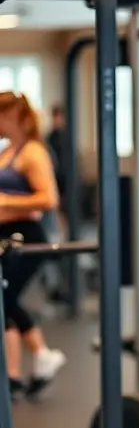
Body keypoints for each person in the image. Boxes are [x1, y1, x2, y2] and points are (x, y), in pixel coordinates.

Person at [0, 92, 66, 399]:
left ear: (18, 118)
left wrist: (7, 201)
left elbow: (48, 199)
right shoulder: (8, 152)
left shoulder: (33, 153)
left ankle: (41, 353)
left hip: (27, 236)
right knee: (4, 300)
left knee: (4, 295)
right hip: (7, 237)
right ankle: (13, 373)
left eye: (2, 114)